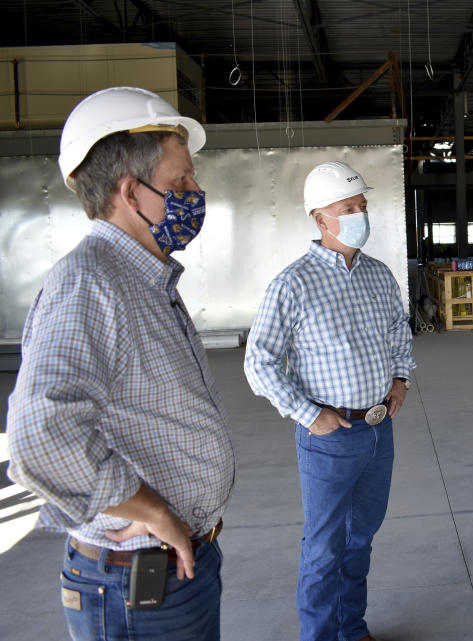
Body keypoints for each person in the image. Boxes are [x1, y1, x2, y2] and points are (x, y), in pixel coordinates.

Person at [6, 86, 235, 640]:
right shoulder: (90, 282)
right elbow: (40, 433)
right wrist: (155, 513)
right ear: (131, 193)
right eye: (181, 183)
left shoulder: (143, 277)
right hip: (137, 583)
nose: (195, 194)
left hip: (176, 565)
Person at [244, 161, 415, 641]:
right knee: (324, 549)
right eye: (348, 208)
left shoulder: (379, 276)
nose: (361, 214)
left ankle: (351, 628)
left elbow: (399, 335)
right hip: (331, 437)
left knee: (360, 540)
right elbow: (259, 362)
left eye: (363, 206)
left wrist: (400, 379)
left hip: (379, 430)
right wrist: (307, 414)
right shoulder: (293, 284)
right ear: (321, 219)